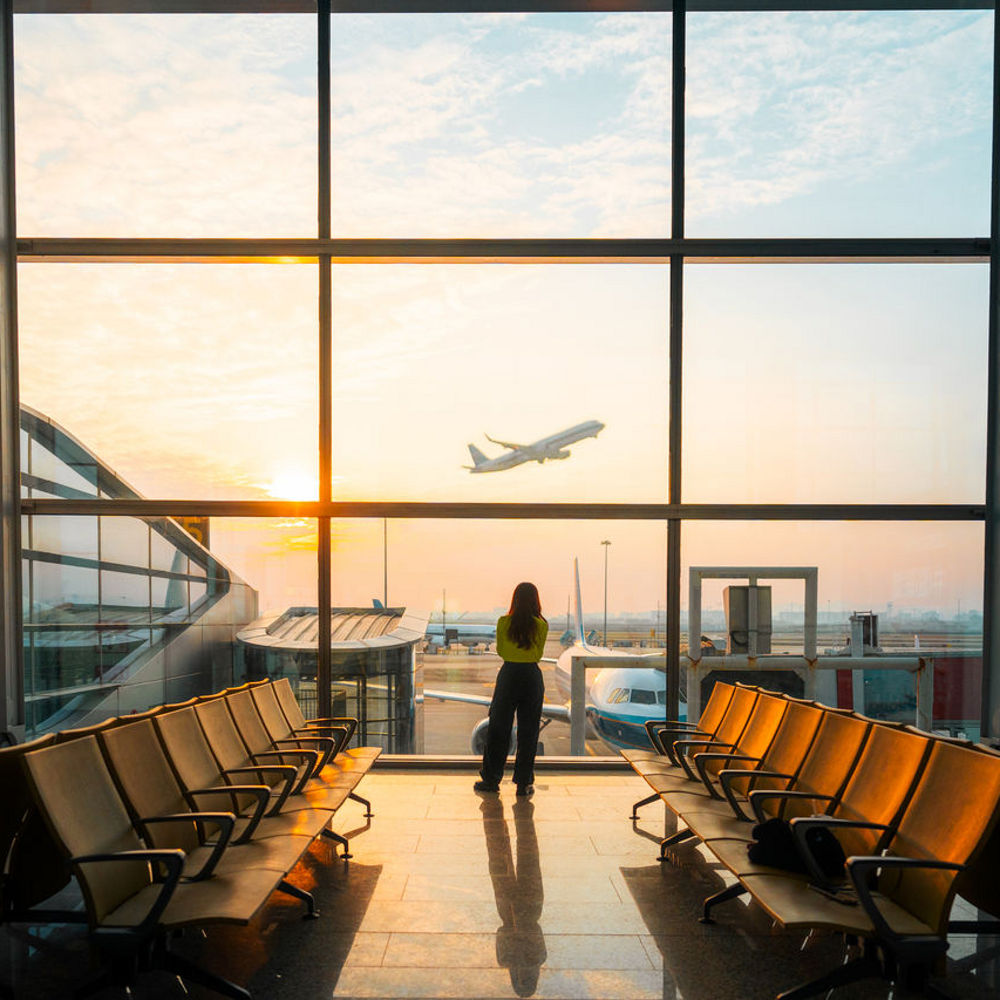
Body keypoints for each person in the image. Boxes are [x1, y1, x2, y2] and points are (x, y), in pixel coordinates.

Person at [474, 582, 548, 796]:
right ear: (536, 600)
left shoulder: (503, 622)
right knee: (528, 732)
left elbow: (501, 650)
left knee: (499, 729)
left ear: (514, 599)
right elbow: (539, 654)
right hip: (532, 677)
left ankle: (491, 780)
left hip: (509, 676)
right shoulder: (541, 625)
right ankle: (523, 783)